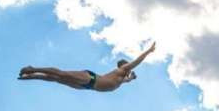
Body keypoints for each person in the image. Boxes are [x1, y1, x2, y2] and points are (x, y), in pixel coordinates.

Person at [19, 41, 156, 91]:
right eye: (129, 67)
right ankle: (33, 69)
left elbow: (127, 80)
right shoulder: (122, 69)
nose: (130, 69)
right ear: (125, 66)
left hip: (86, 86)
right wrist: (149, 51)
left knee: (57, 79)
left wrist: (131, 79)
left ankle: (33, 76)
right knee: (61, 74)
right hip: (91, 79)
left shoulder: (122, 79)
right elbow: (137, 61)